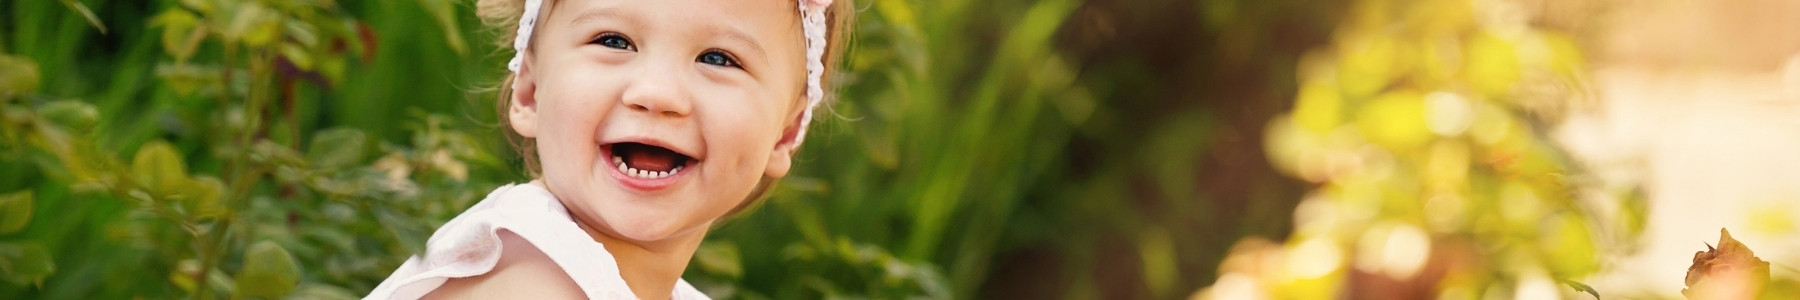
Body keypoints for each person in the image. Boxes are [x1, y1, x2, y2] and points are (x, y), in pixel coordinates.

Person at [366, 0, 851, 298]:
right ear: (530, 91)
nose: (656, 93)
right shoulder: (527, 285)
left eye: (718, 58)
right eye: (614, 40)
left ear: (787, 131)